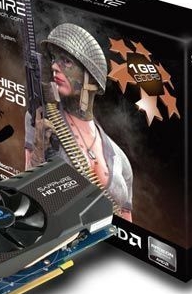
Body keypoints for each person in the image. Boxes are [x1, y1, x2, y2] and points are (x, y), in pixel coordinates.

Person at [25, 23, 133, 221]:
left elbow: (126, 218)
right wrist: (39, 151)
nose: (54, 66)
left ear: (91, 78)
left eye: (66, 61)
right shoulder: (42, 118)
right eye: (54, 59)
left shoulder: (119, 157)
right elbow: (28, 196)